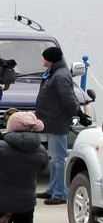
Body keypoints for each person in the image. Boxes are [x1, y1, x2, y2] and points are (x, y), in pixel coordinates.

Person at [35, 46, 80, 205]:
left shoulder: (60, 76)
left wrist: (77, 113)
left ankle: (60, 193)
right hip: (52, 121)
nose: (42, 60)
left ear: (50, 59)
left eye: (44, 58)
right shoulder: (55, 72)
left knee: (59, 159)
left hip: (58, 122)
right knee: (54, 158)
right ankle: (53, 189)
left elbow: (68, 99)